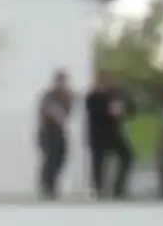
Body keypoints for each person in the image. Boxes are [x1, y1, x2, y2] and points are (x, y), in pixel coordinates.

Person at [82, 70, 133, 198]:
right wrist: (112, 110)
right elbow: (99, 111)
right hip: (98, 136)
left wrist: (122, 108)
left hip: (114, 134)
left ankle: (118, 187)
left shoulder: (114, 95)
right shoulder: (92, 96)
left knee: (127, 156)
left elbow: (130, 109)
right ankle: (98, 188)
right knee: (99, 162)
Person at [34, 69, 73, 197]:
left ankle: (52, 183)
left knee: (61, 157)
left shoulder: (66, 96)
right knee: (50, 158)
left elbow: (66, 113)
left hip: (59, 131)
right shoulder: (49, 95)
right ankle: (47, 185)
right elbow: (44, 110)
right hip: (47, 131)